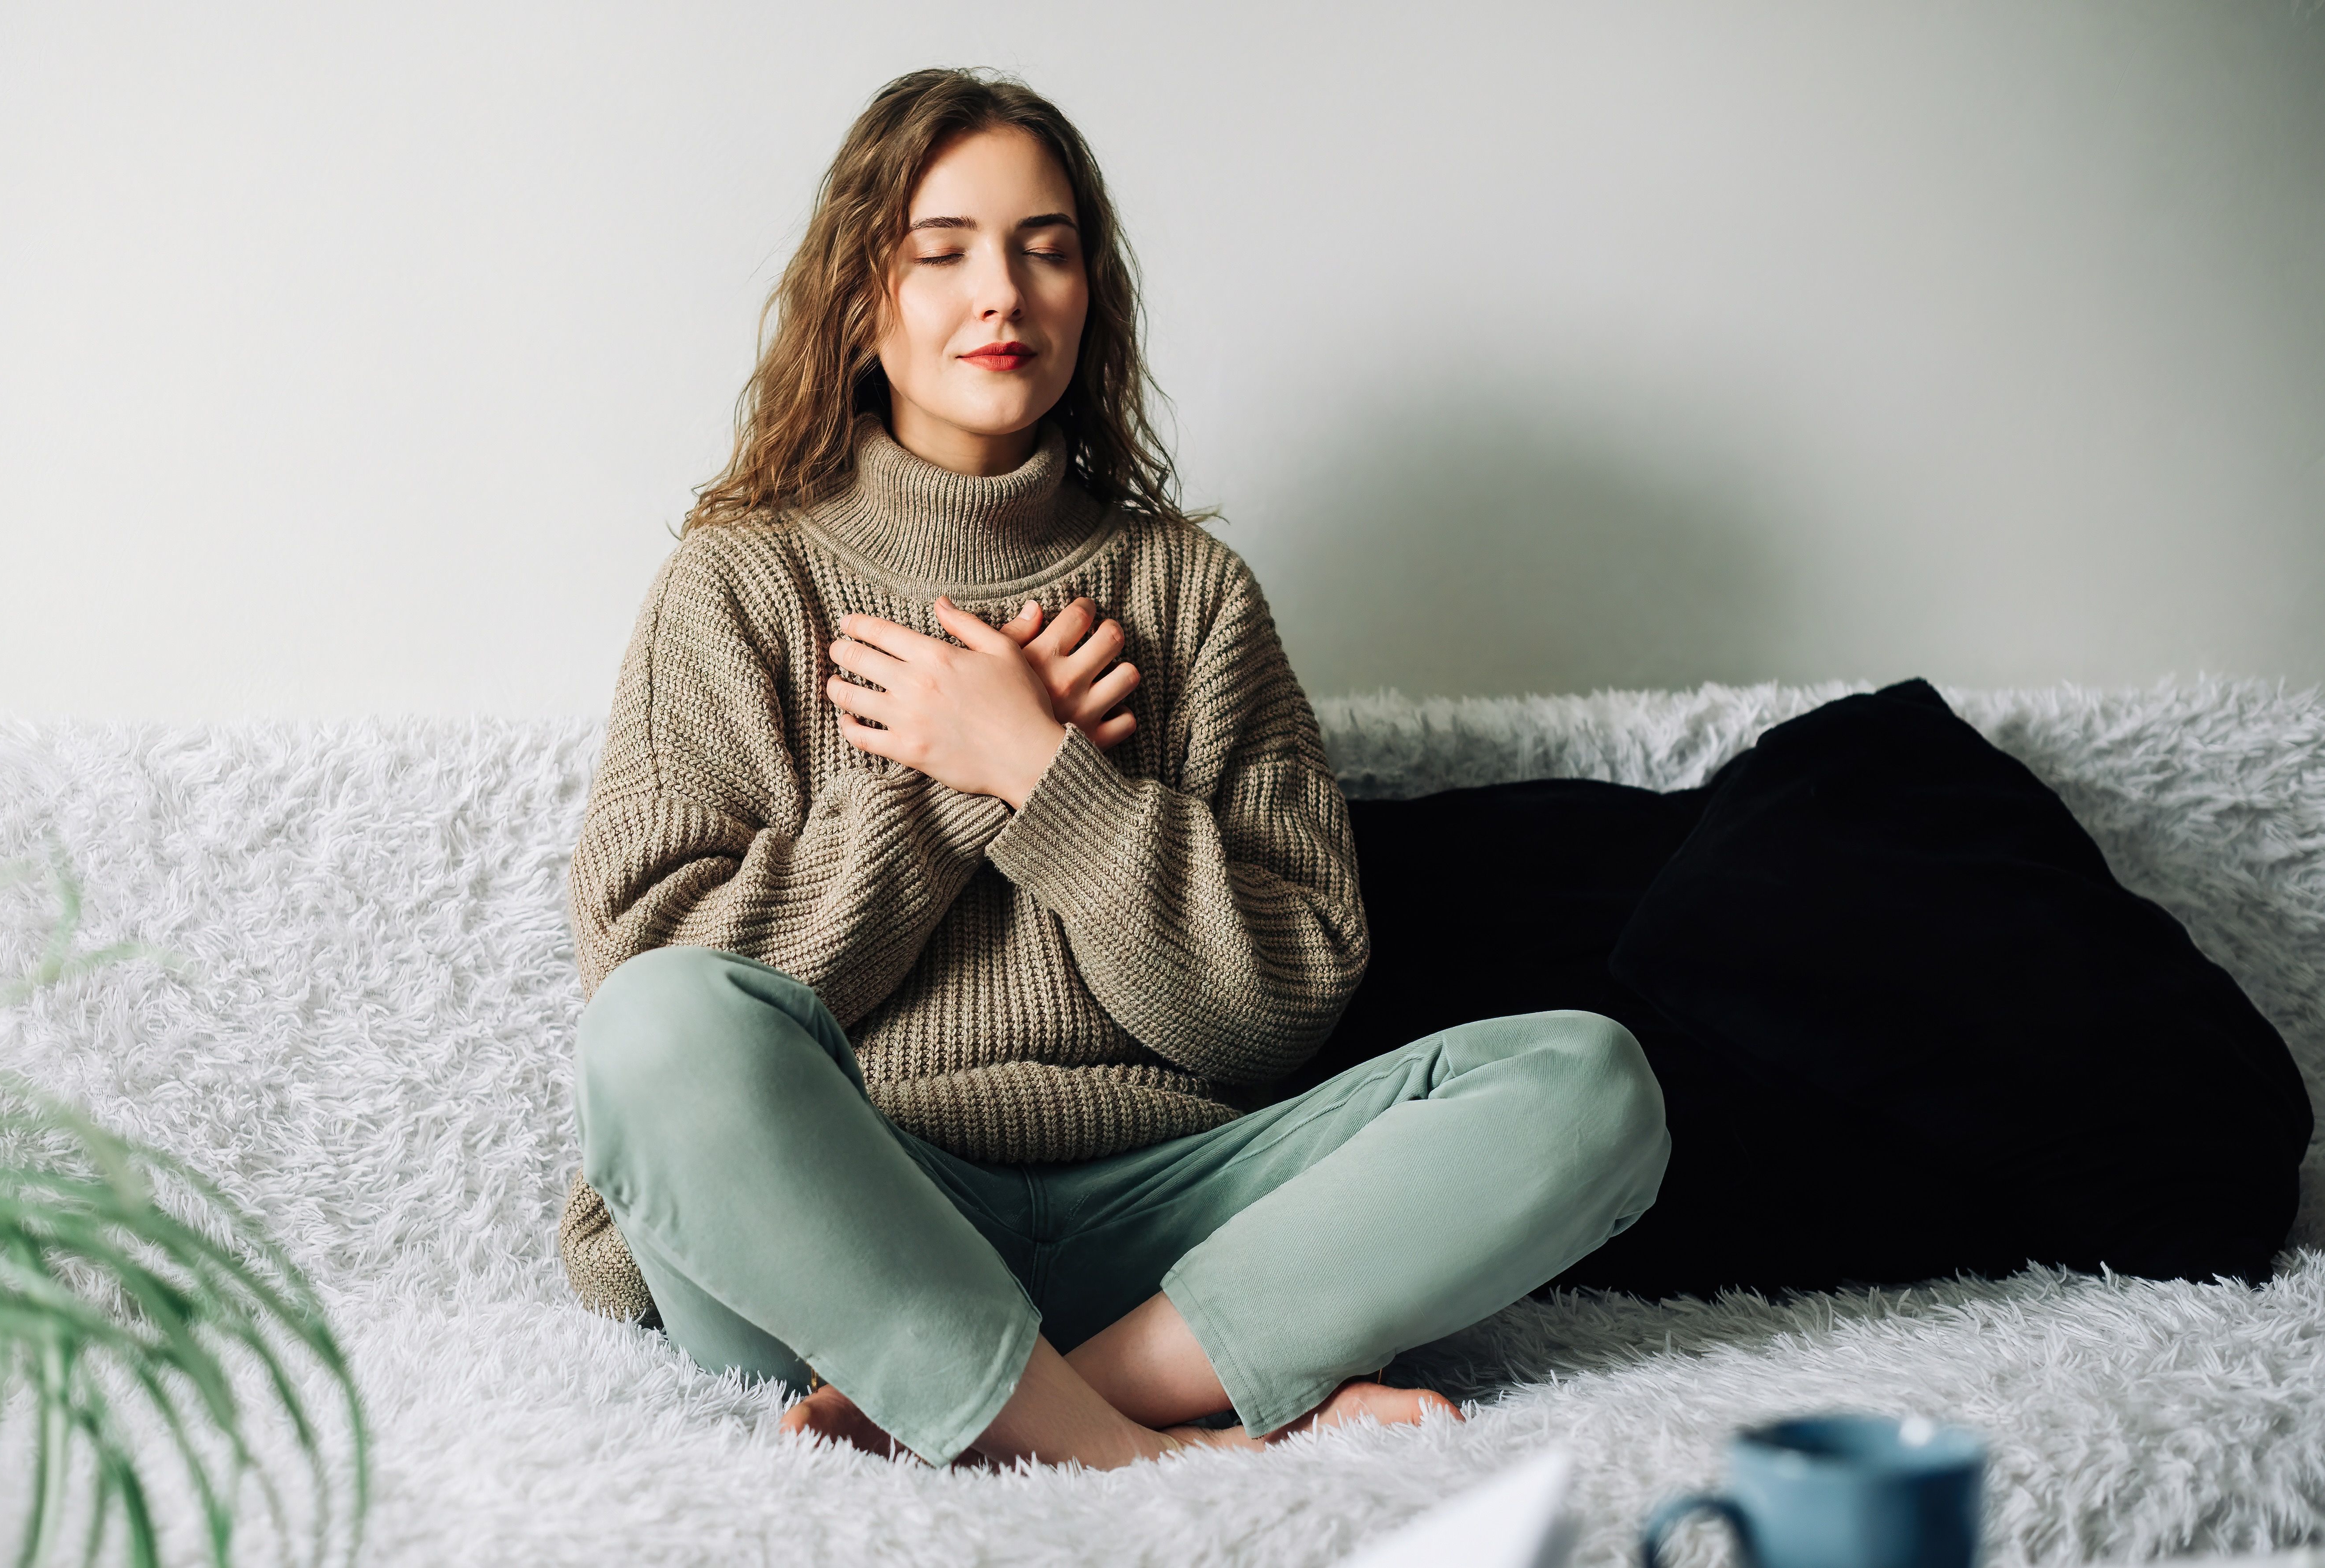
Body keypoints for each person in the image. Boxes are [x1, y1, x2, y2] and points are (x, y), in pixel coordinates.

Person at [560, 67, 1670, 1471]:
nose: (1003, 294)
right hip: (854, 1232)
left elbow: (1272, 1010)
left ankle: (1038, 1405)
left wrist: (1047, 774)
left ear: (1092, 292)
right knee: (651, 1027)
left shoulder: (1190, 593)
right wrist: (945, 784)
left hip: (1183, 1228)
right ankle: (1143, 1445)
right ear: (860, 294)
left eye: (1047, 246)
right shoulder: (738, 583)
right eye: (941, 247)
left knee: (1591, 1086)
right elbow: (656, 975)